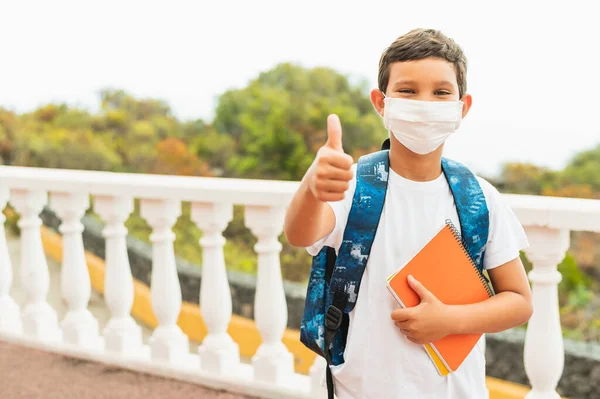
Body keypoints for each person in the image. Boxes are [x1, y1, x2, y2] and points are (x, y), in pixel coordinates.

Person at [284, 28, 533, 398]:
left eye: (441, 92)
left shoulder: (481, 198)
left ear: (462, 106)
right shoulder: (354, 188)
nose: (425, 103)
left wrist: (450, 320)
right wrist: (311, 187)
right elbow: (299, 234)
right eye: (408, 90)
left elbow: (519, 301)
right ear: (381, 102)